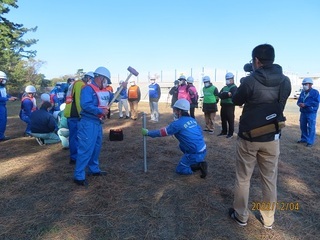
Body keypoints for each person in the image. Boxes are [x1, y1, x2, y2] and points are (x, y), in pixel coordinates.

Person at [229, 44, 291, 229]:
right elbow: (280, 103)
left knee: (243, 178)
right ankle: (269, 219)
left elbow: (236, 100)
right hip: (272, 136)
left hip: (249, 137)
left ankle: (241, 215)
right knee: (270, 179)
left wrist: (238, 88)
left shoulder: (250, 81)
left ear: (256, 60)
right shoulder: (285, 81)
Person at [141, 99, 208, 178]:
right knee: (181, 145)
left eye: (175, 110)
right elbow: (199, 131)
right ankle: (195, 159)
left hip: (195, 152)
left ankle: (199, 165)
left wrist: (148, 133)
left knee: (180, 169)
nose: (174, 112)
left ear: (180, 111)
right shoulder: (192, 120)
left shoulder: (177, 124)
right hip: (203, 149)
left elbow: (162, 133)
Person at [73, 66, 112, 186]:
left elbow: (115, 97)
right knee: (86, 148)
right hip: (88, 123)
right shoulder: (88, 89)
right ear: (100, 77)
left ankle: (94, 169)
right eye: (105, 79)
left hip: (97, 123)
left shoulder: (104, 90)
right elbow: (85, 105)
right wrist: (100, 111)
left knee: (96, 147)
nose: (107, 82)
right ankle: (79, 176)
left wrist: (123, 88)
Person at [64, 71, 93, 164]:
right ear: (89, 78)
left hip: (71, 113)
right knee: (75, 137)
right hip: (75, 114)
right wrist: (82, 114)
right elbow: (79, 101)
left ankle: (74, 156)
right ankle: (75, 157)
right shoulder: (80, 84)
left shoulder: (75, 83)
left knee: (74, 136)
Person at [297, 78, 319, 147]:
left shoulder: (315, 92)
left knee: (311, 127)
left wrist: (306, 104)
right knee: (302, 126)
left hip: (311, 112)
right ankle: (304, 138)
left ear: (310, 84)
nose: (304, 86)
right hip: (303, 112)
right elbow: (299, 100)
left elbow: (316, 102)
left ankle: (310, 141)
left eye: (305, 84)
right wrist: (299, 104)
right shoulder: (303, 92)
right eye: (303, 84)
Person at [218, 72, 237, 138]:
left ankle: (231, 133)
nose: (227, 80)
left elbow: (232, 95)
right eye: (227, 79)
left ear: (232, 79)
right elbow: (220, 95)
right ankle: (224, 131)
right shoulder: (224, 87)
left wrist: (225, 94)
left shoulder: (234, 87)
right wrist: (226, 94)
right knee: (223, 119)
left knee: (230, 119)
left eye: (229, 79)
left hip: (230, 105)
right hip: (223, 105)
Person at [0, 70, 18, 141]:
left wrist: (11, 97)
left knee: (3, 121)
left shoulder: (3, 87)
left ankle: (1, 135)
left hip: (3, 106)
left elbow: (5, 95)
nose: (4, 81)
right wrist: (8, 99)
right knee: (2, 121)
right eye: (3, 79)